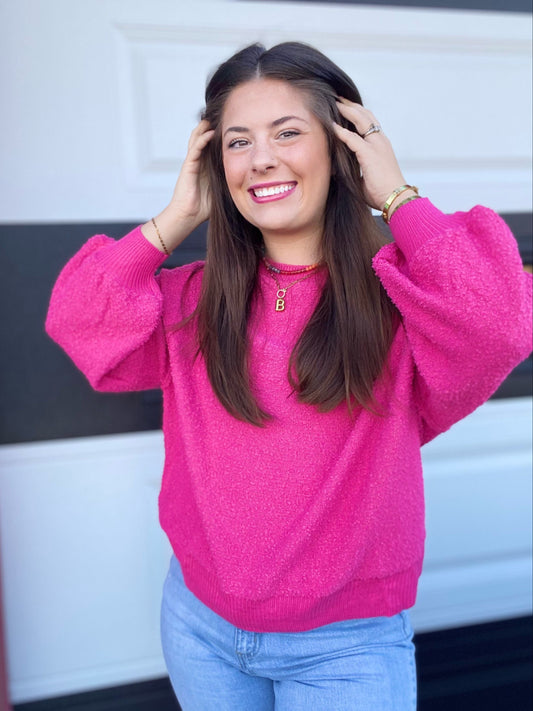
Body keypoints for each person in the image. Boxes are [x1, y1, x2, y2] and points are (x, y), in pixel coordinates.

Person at [45, 42, 532, 711]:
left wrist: (393, 192)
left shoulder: (398, 302)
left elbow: (500, 320)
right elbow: (75, 317)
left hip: (344, 650)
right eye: (237, 142)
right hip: (199, 627)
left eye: (287, 133)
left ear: (341, 149)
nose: (261, 158)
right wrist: (178, 214)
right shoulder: (191, 299)